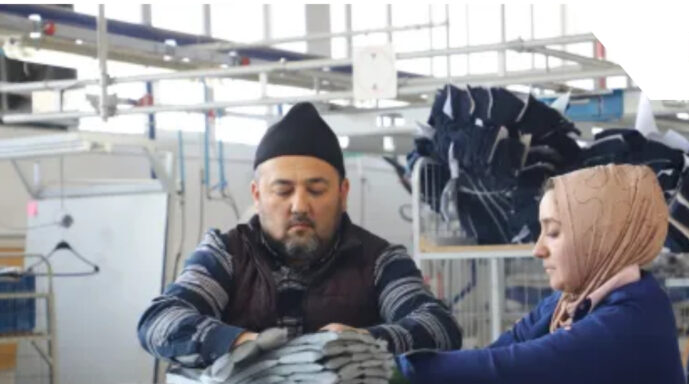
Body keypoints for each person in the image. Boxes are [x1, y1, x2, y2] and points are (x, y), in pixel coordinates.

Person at [396, 164, 689, 384]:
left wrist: (391, 372)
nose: (538, 249)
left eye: (553, 232)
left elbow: (512, 369)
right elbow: (500, 352)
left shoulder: (630, 323)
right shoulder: (565, 306)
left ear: (598, 233)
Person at [137, 102, 462, 368]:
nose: (299, 206)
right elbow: (160, 322)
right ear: (257, 195)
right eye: (283, 191)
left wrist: (365, 342)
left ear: (343, 193)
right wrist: (243, 344)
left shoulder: (379, 261)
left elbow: (438, 326)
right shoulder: (226, 255)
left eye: (316, 190)